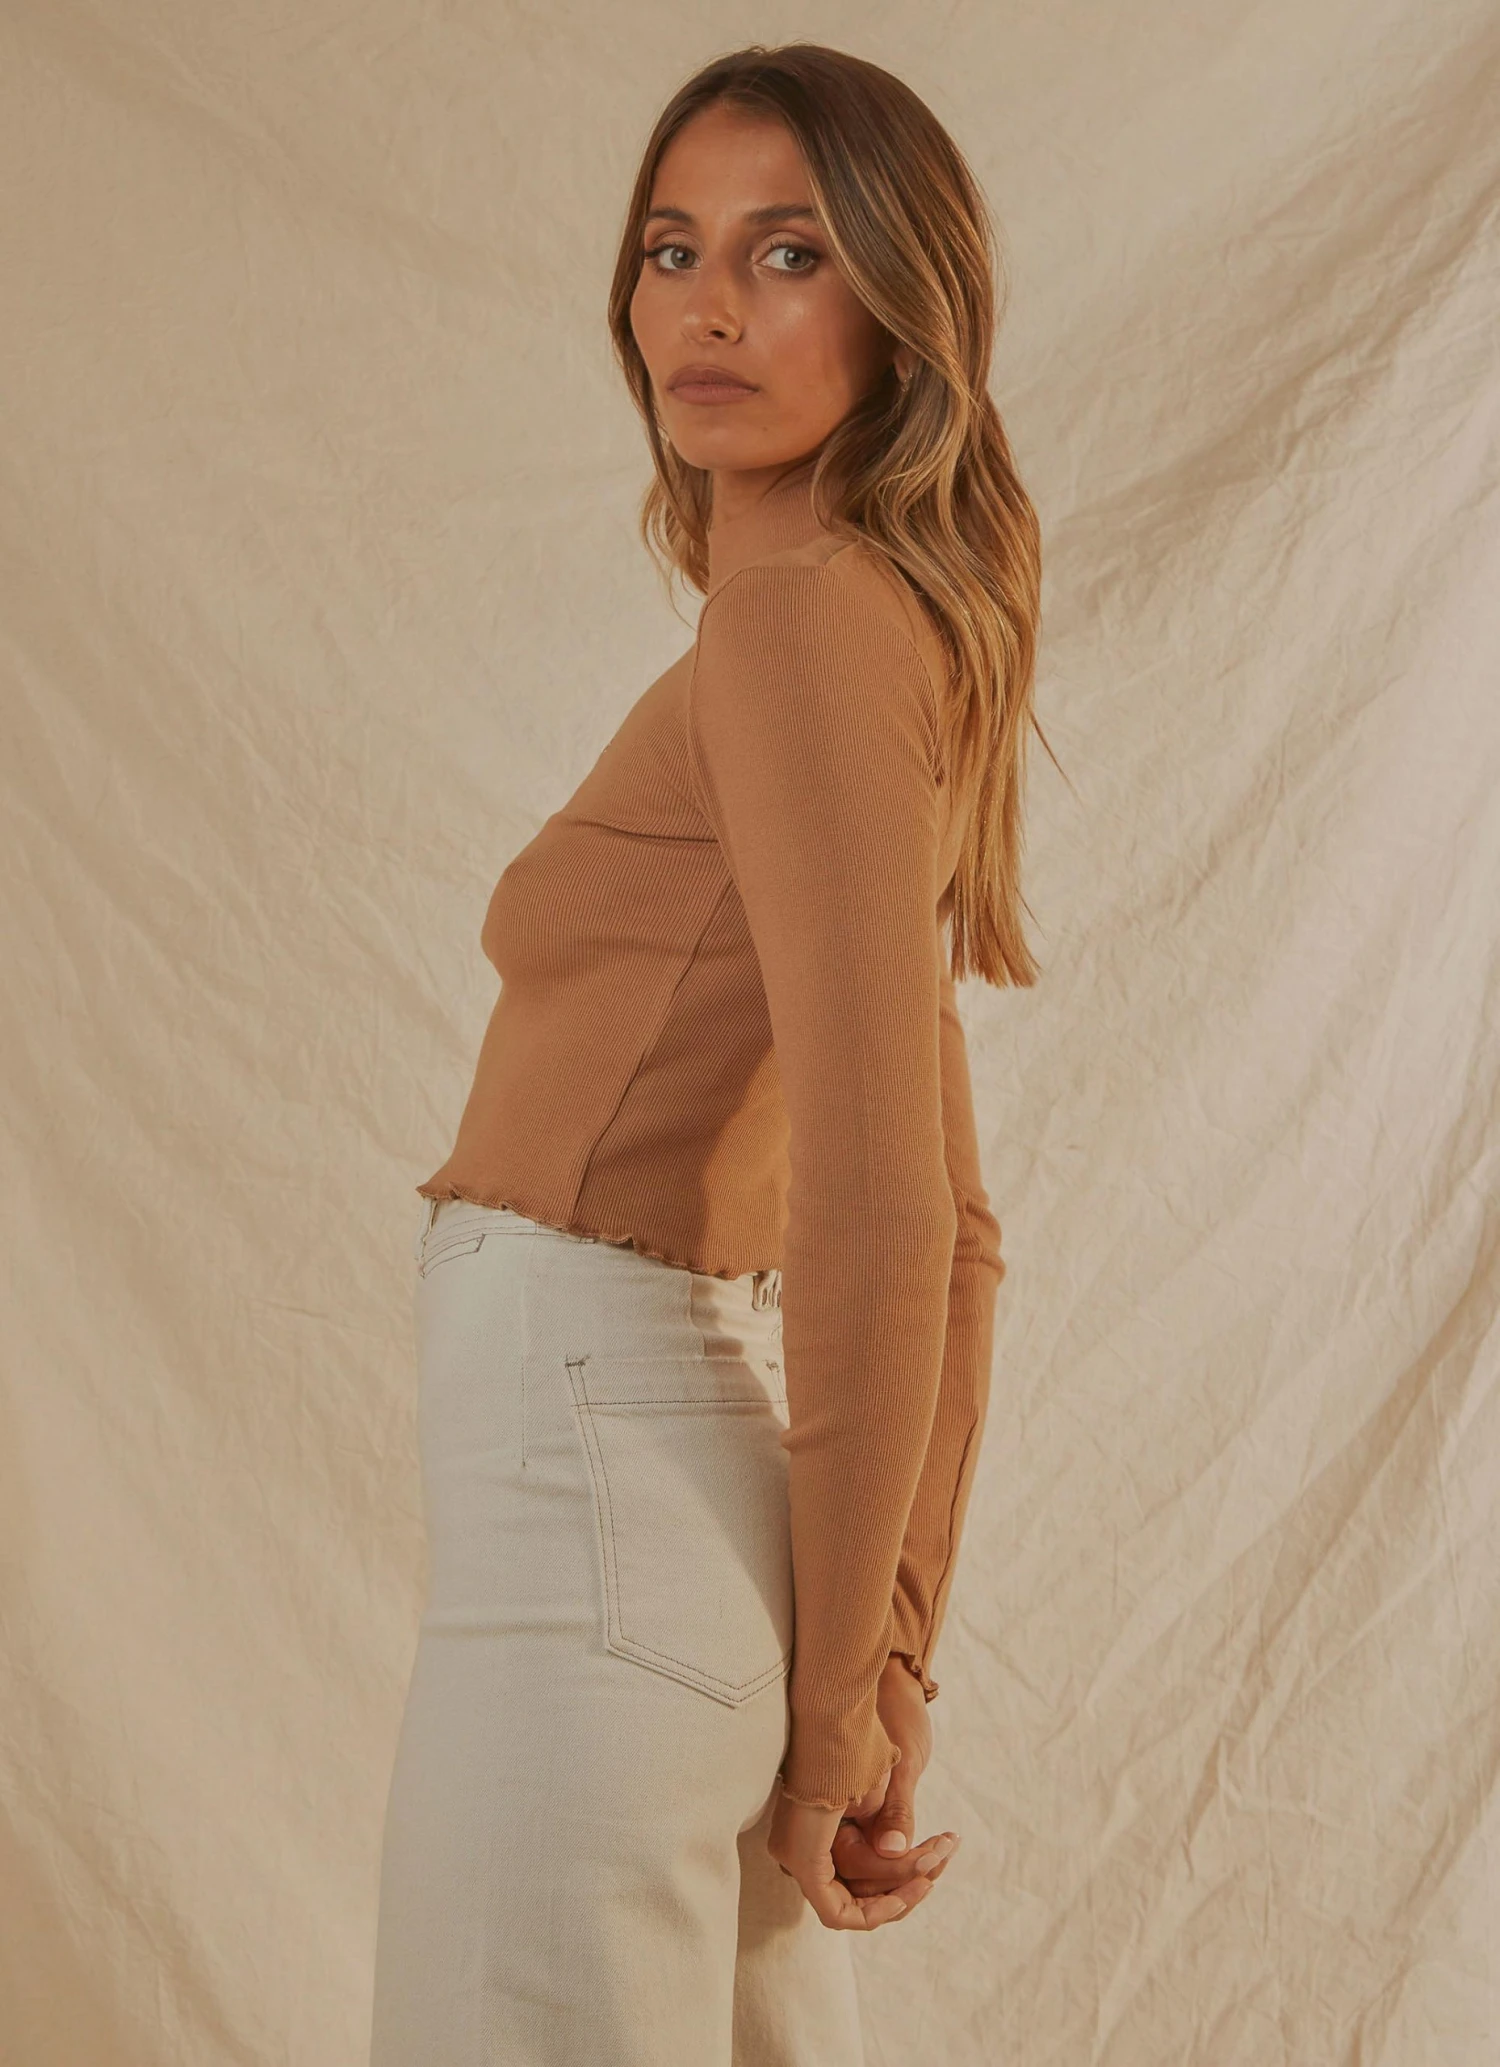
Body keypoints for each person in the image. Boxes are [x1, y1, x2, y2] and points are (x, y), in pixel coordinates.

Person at [369, 39, 1042, 2067]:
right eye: (672, 250)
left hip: (595, 1476)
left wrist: (850, 1706)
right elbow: (957, 1230)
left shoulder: (802, 626)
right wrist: (878, 1658)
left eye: (788, 252)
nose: (710, 305)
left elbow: (896, 1214)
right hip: (675, 1509)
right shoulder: (855, 626)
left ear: (905, 307)